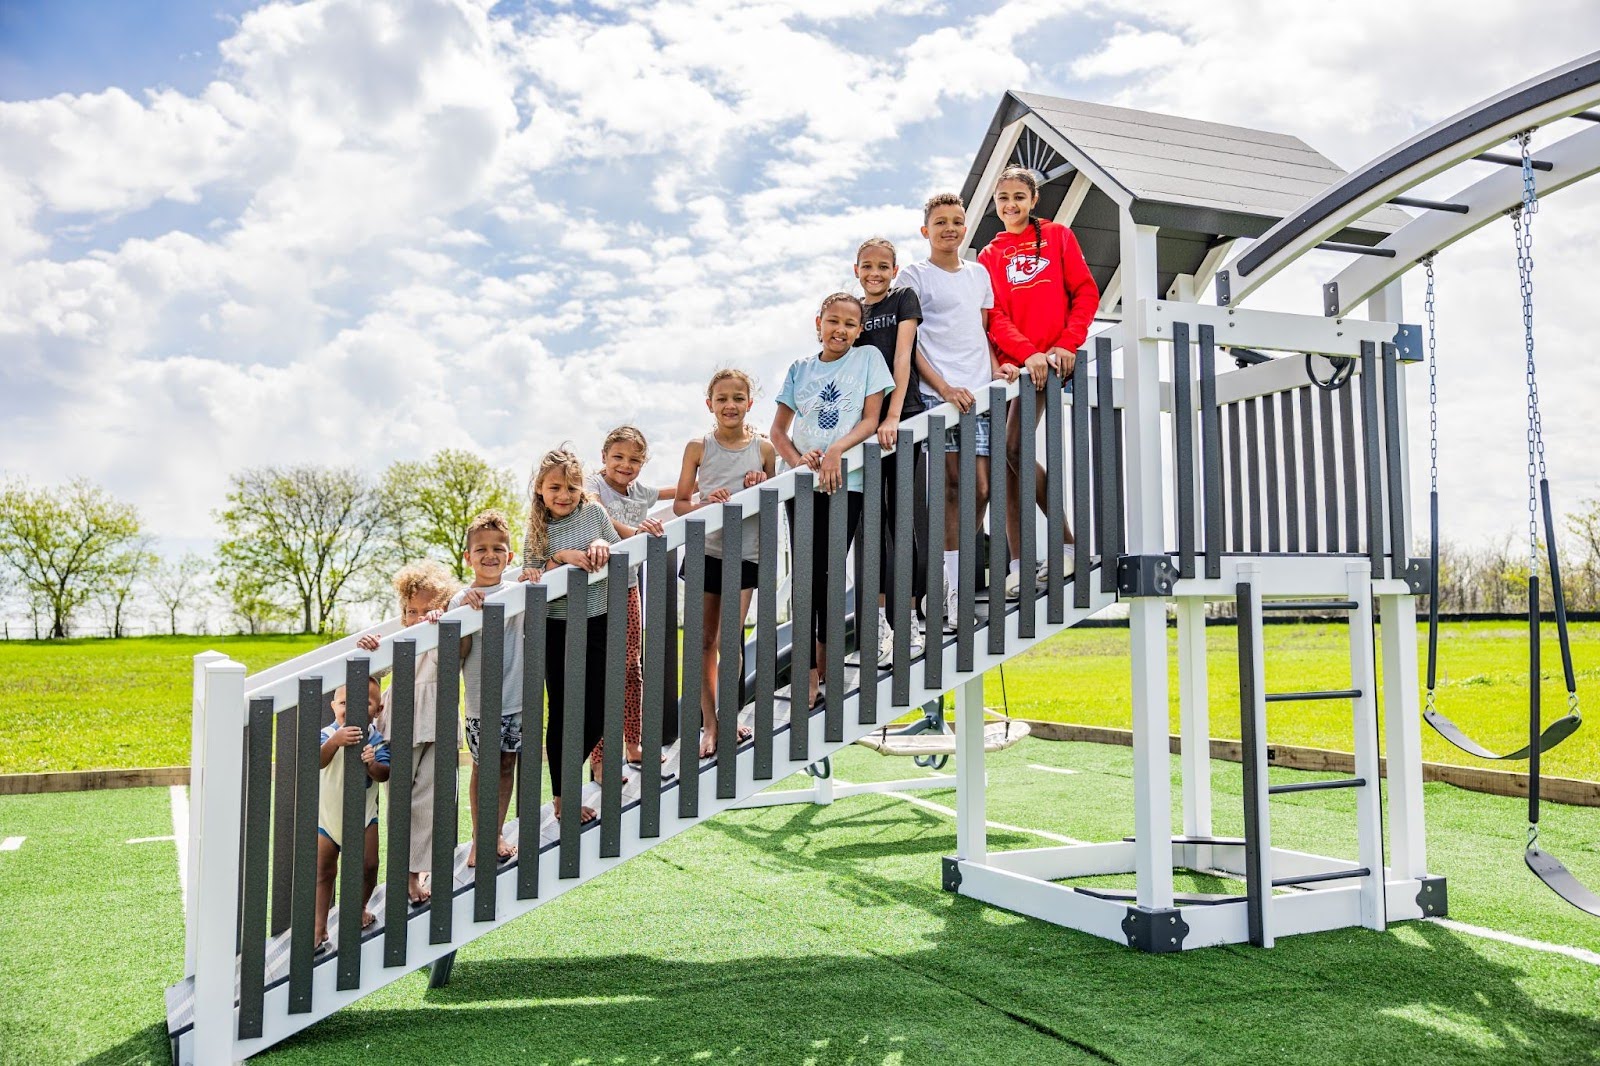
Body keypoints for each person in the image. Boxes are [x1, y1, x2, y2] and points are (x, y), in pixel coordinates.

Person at [978, 164, 1098, 596]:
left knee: (1012, 447)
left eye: (1018, 197)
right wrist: (1026, 354)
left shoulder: (1059, 237)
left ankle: (1068, 546)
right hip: (1016, 369)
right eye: (1002, 199)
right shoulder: (989, 256)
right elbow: (994, 316)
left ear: (1033, 200)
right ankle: (1018, 565)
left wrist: (1066, 344)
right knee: (1006, 460)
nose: (1010, 205)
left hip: (1049, 363)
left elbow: (1085, 292)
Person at [772, 293, 894, 709]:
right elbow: (778, 433)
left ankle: (826, 662)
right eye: (833, 321)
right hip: (802, 488)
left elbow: (870, 420)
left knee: (828, 573)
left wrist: (837, 450)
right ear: (818, 322)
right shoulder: (798, 369)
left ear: (859, 330)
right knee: (804, 575)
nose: (840, 330)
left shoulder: (867, 361)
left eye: (849, 324)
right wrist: (797, 461)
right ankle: (805, 673)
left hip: (846, 482)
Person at [897, 193, 1001, 627]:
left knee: (980, 489)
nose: (950, 229)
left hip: (982, 394)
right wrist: (942, 386)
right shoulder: (914, 276)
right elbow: (913, 344)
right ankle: (951, 591)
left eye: (957, 221)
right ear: (926, 231)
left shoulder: (978, 275)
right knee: (955, 486)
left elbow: (980, 332)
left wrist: (999, 373)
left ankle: (945, 577)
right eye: (940, 222)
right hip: (942, 397)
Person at [674, 369, 776, 756]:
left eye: (738, 398)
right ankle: (710, 726)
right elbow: (682, 503)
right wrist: (705, 504)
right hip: (706, 551)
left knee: (727, 641)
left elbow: (773, 502)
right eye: (722, 399)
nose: (730, 405)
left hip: (746, 554)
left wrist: (758, 486)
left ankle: (730, 719)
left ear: (750, 403)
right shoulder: (697, 447)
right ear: (710, 404)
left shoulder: (764, 450)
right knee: (702, 641)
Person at [522, 448, 619, 823]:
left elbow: (615, 544)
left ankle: (567, 777)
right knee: (563, 709)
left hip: (597, 618)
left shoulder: (594, 513)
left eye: (572, 487)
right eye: (555, 487)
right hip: (556, 626)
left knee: (598, 707)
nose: (564, 495)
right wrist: (559, 558)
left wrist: (601, 545)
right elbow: (530, 573)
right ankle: (563, 796)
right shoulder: (539, 528)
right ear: (540, 489)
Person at [355, 559, 458, 904]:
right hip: (401, 723)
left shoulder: (447, 631)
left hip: (438, 721)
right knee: (401, 800)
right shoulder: (400, 639)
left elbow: (455, 658)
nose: (417, 617)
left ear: (441, 607)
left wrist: (440, 626)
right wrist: (370, 646)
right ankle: (403, 872)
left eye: (426, 610)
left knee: (430, 800)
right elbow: (377, 667)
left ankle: (418, 871)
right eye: (411, 611)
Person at [584, 426, 677, 771]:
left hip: (627, 586)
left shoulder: (639, 491)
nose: (625, 465)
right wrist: (634, 535)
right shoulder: (593, 486)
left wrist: (717, 482)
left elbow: (678, 491)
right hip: (593, 590)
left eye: (635, 460)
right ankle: (599, 757)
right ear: (604, 458)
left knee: (631, 668)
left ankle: (633, 743)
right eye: (618, 457)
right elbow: (598, 516)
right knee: (600, 673)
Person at [855, 236, 927, 666]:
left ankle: (910, 621)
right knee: (871, 526)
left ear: (894, 269)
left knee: (903, 520)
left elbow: (903, 358)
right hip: (863, 429)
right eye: (867, 266)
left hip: (900, 419)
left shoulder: (903, 299)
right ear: (856, 270)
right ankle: (881, 623)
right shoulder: (854, 311)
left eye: (883, 266)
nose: (875, 273)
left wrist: (893, 416)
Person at [444, 510, 529, 867]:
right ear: (468, 557)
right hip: (481, 703)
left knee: (507, 765)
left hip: (518, 699)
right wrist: (465, 615)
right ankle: (480, 839)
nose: (490, 555)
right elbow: (458, 656)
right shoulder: (459, 600)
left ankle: (495, 833)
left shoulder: (520, 591)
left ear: (510, 556)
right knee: (484, 768)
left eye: (498, 548)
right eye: (481, 549)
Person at [314, 676, 390, 950]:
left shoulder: (375, 739)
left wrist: (371, 764)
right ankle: (319, 926)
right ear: (334, 706)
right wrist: (335, 741)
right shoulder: (327, 733)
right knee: (323, 872)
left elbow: (384, 773)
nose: (352, 707)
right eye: (345, 702)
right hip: (328, 818)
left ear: (377, 710)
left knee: (369, 866)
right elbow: (319, 760)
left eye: (364, 702)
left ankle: (358, 908)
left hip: (364, 817)